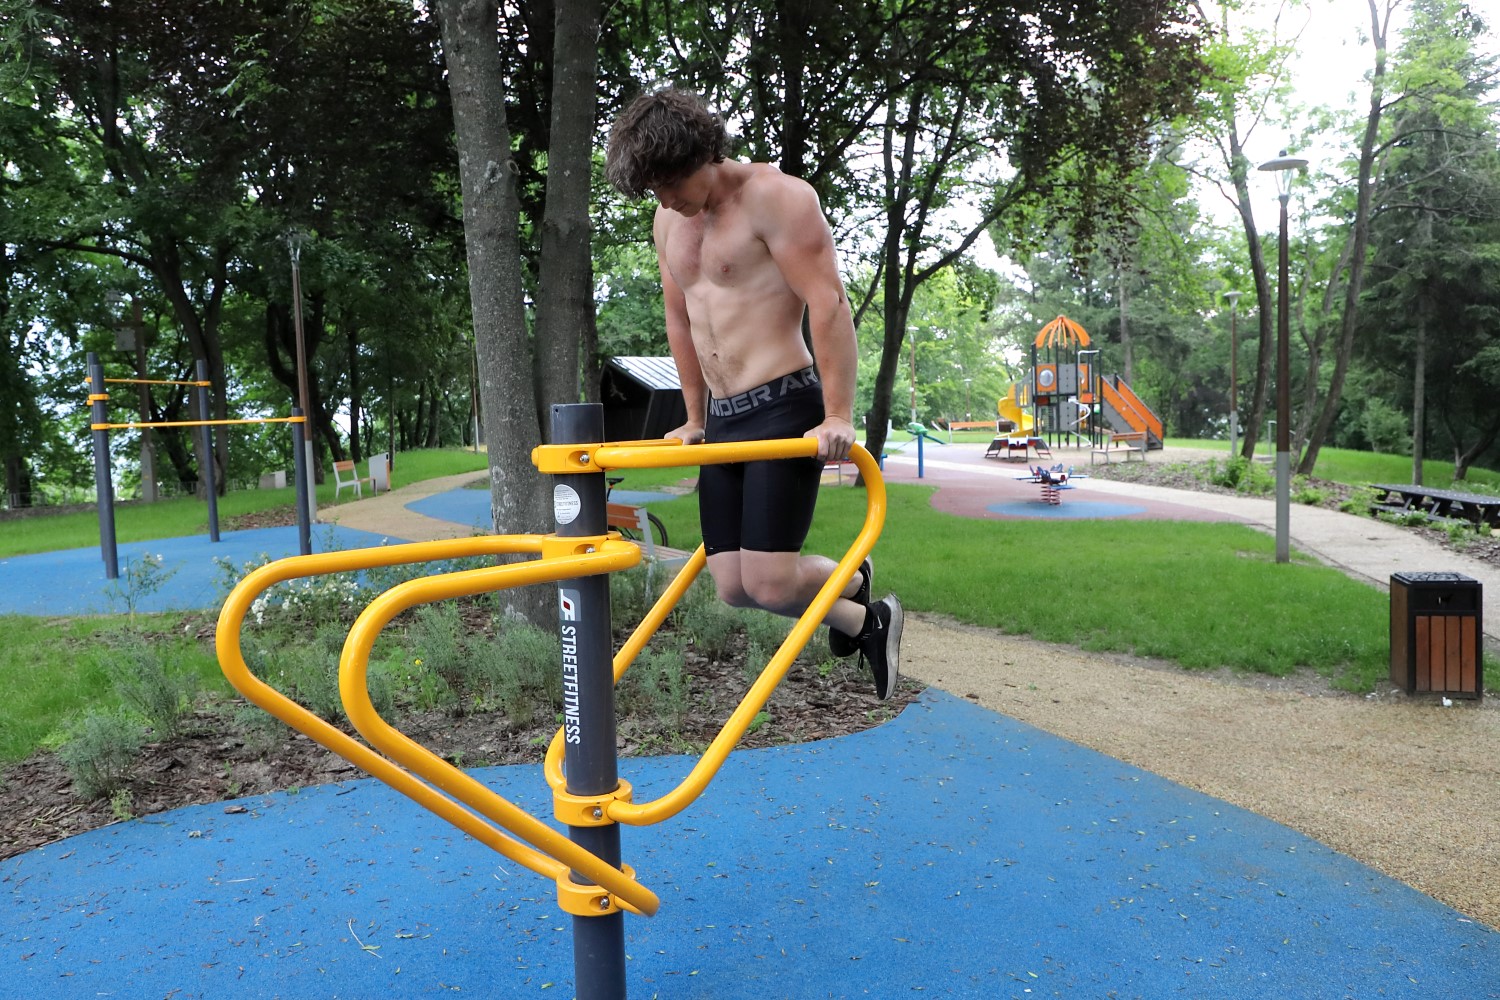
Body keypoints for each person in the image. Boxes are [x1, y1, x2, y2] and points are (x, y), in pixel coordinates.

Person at [604, 87, 901, 699]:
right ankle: (859, 604)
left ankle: (858, 603)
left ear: (702, 153)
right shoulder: (669, 220)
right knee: (734, 587)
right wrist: (694, 416)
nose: (663, 198)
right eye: (653, 189)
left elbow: (828, 303)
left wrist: (837, 414)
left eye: (669, 182)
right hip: (723, 417)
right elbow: (681, 318)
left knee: (769, 583)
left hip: (782, 404)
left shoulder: (778, 198)